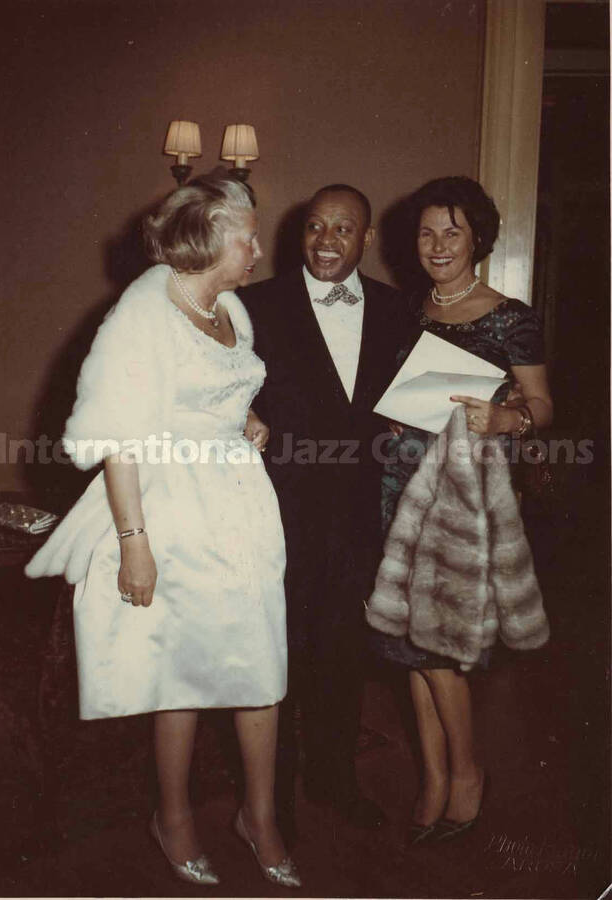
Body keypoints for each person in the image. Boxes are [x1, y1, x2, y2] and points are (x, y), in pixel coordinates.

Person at [26, 173, 301, 888]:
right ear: (210, 237)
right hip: (171, 509)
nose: (259, 249)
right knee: (181, 669)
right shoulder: (141, 313)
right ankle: (173, 815)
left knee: (261, 665)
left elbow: (215, 386)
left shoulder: (231, 306)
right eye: (248, 237)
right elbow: (119, 436)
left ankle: (259, 815)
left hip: (240, 503)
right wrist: (134, 543)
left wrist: (243, 417)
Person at [367, 175, 553, 844]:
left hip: (461, 500)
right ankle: (435, 778)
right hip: (401, 487)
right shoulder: (412, 310)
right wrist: (394, 427)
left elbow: (543, 405)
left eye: (452, 230)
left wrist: (507, 419)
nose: (438, 244)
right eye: (426, 232)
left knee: (439, 646)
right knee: (410, 644)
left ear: (477, 236)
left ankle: (468, 773)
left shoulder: (509, 315)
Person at [241, 184, 407, 832]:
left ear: (364, 239)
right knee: (276, 659)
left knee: (343, 656)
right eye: (315, 226)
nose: (326, 240)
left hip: (358, 516)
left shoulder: (397, 311)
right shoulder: (255, 304)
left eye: (343, 229)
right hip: (275, 511)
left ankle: (335, 780)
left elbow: (406, 403)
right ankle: (270, 803)